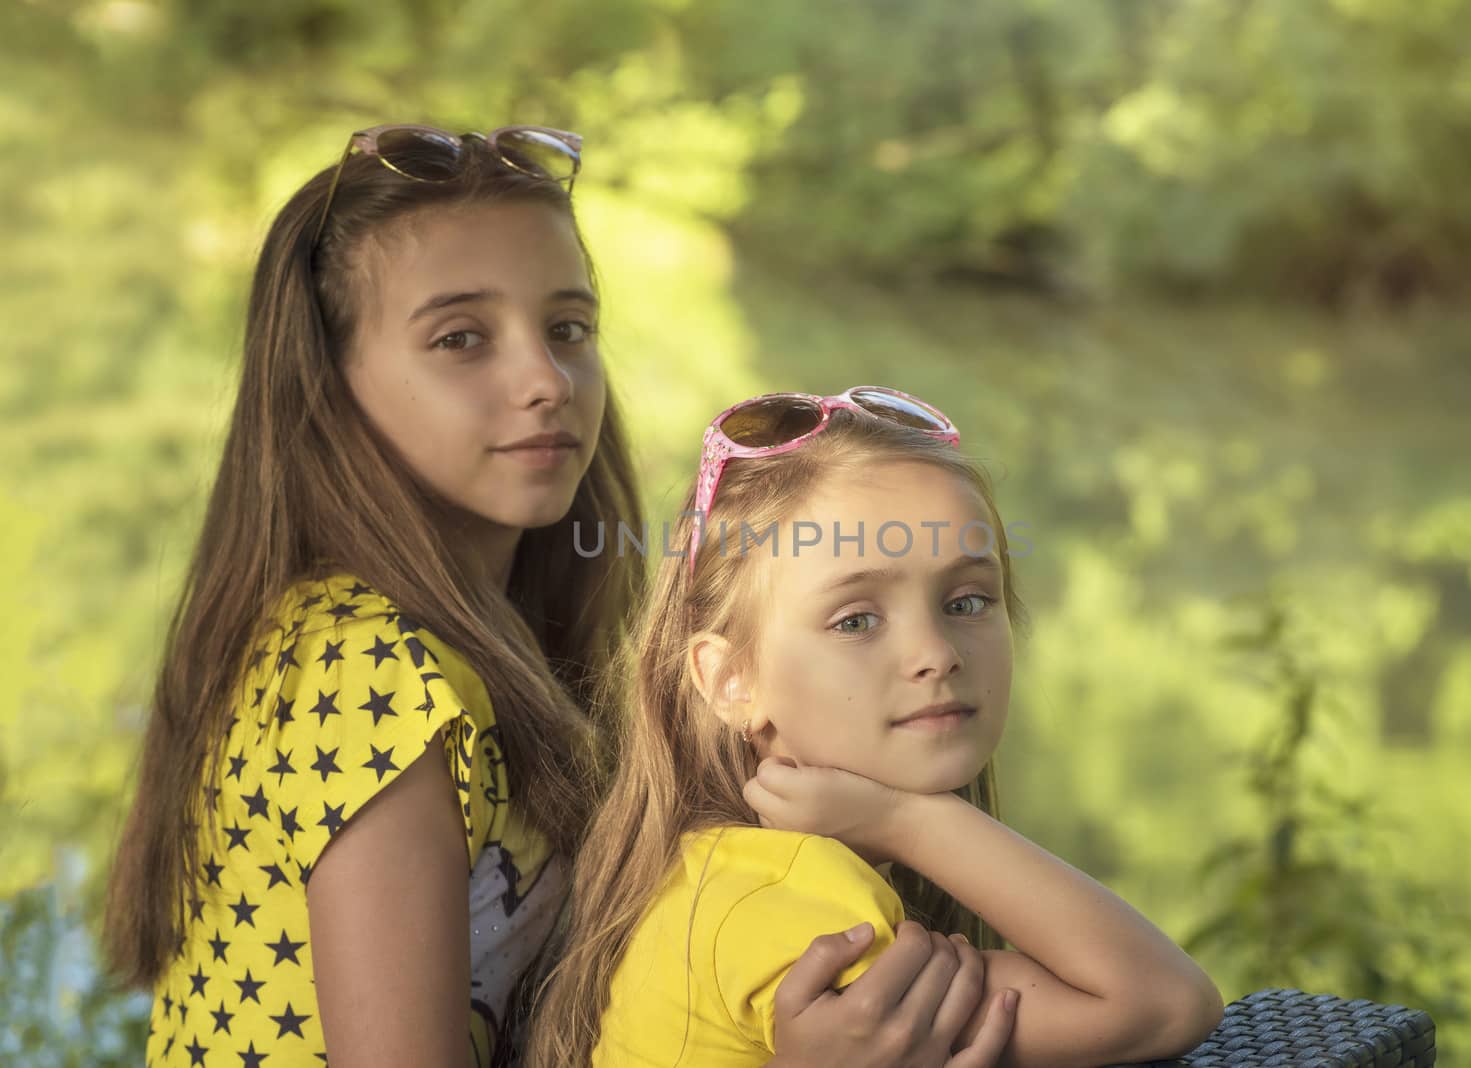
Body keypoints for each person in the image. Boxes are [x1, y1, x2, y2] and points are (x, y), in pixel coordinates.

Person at [102, 126, 1011, 1068]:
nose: (545, 381)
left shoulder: (512, 636)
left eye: (569, 329)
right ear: (327, 387)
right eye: (462, 339)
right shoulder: (364, 665)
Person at [531, 388, 1226, 1068]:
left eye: (967, 600)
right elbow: (1163, 1002)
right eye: (856, 620)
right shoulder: (798, 908)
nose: (937, 653)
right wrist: (910, 822)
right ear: (731, 681)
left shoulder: (726, 865)